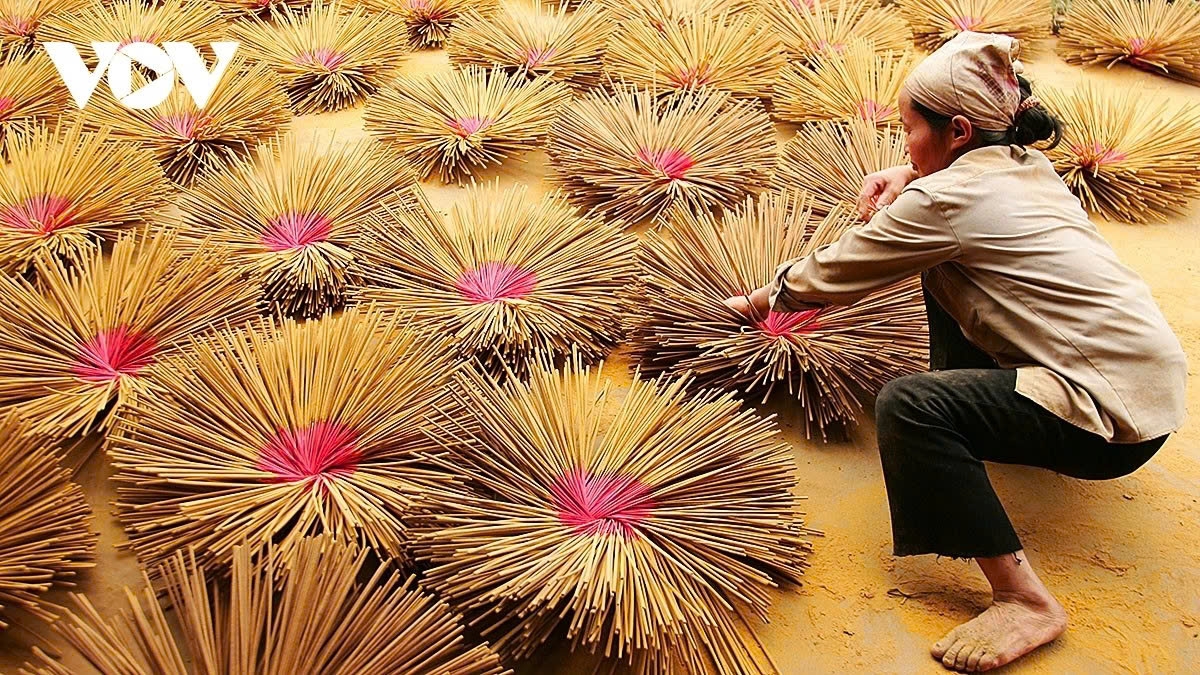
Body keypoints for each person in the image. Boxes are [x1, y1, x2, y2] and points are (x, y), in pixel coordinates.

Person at [725, 31, 1188, 673]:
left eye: (911, 131)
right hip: (1144, 389)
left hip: (1106, 425)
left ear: (960, 130)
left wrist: (757, 302)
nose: (903, 145)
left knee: (911, 407)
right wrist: (913, 170)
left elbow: (838, 270)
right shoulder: (1025, 163)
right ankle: (980, 424)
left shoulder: (944, 201)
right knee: (946, 276)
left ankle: (1024, 601)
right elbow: (955, 197)